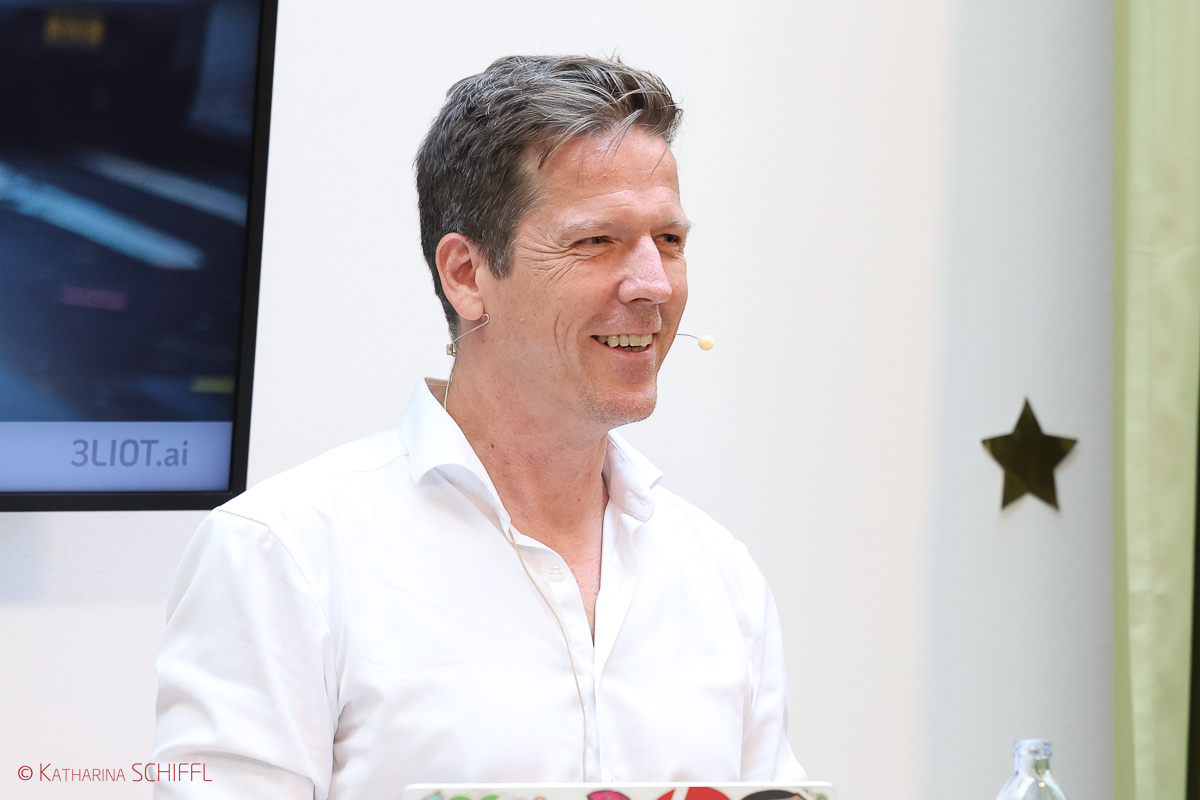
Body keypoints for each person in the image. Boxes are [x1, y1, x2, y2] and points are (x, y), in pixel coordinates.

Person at [152, 55, 806, 799]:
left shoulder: (720, 574)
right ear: (466, 274)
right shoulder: (285, 554)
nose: (655, 284)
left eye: (671, 240)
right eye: (596, 240)